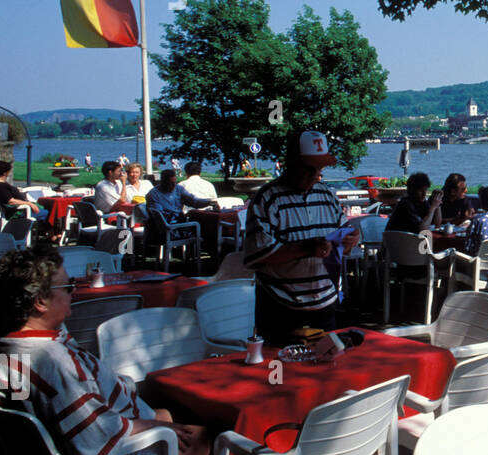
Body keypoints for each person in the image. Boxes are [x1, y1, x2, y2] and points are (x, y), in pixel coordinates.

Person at [0, 248, 210, 455]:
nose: (73, 290)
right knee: (214, 445)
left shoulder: (7, 345)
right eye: (67, 286)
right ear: (40, 302)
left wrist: (156, 420)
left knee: (167, 415)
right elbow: (96, 434)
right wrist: (154, 426)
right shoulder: (53, 362)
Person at [244, 131, 360, 345]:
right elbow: (256, 256)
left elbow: (345, 230)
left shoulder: (327, 195)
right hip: (281, 306)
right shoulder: (267, 199)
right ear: (290, 163)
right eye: (309, 169)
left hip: (325, 304)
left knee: (326, 368)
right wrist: (306, 248)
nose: (316, 175)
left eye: (320, 169)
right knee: (280, 371)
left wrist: (351, 237)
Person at [146, 168, 219, 223]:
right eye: (170, 183)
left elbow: (194, 201)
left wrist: (210, 202)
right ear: (162, 181)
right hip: (165, 227)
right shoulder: (153, 194)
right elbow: (159, 216)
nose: (173, 186)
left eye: (174, 183)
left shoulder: (178, 189)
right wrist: (178, 215)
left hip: (178, 221)